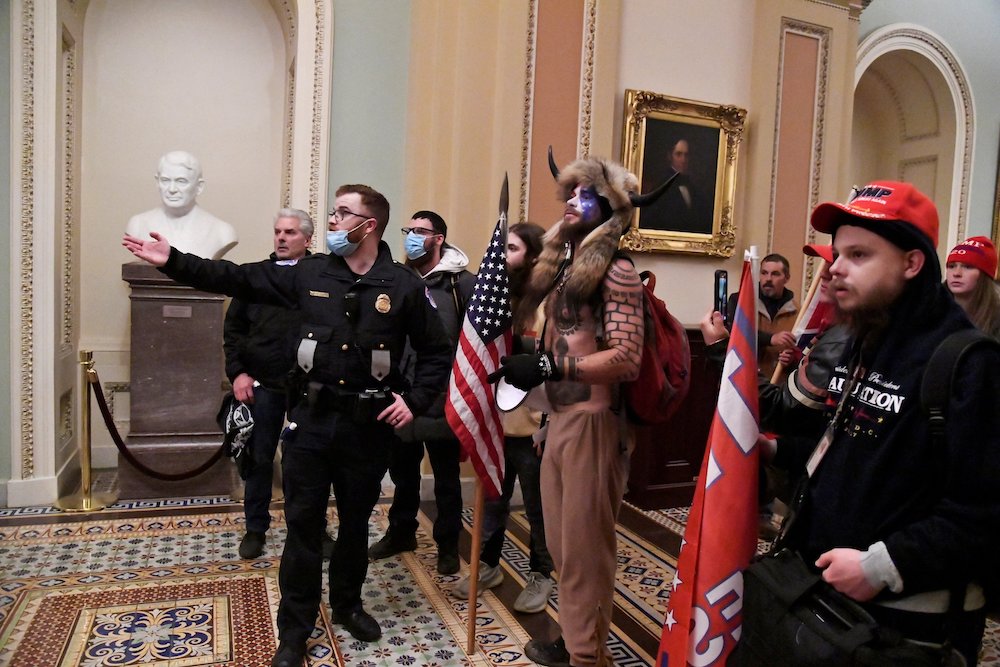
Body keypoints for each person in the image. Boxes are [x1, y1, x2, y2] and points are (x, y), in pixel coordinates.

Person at [123, 184, 453, 667]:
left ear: (370, 226)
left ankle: (347, 605)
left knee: (356, 524)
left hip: (367, 428)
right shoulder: (309, 272)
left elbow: (436, 350)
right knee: (302, 527)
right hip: (312, 423)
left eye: (343, 213)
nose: (334, 220)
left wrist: (415, 401)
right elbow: (234, 277)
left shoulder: (401, 284)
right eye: (334, 211)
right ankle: (294, 632)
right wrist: (172, 259)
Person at [771, 181, 1000, 665]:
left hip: (911, 628)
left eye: (858, 255)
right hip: (832, 606)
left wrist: (883, 565)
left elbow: (983, 513)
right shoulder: (866, 339)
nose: (835, 268)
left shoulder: (968, 362)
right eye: (837, 254)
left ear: (911, 263)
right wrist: (771, 451)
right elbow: (850, 452)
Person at [490, 156, 663, 667]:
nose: (570, 201)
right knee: (564, 552)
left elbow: (627, 359)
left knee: (585, 555)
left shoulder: (619, 272)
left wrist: (549, 367)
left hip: (594, 425)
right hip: (560, 422)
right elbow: (558, 342)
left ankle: (587, 658)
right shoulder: (566, 267)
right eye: (569, 193)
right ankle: (572, 640)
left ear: (609, 210)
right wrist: (544, 409)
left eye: (584, 195)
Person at [451, 221, 556, 614]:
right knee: (493, 500)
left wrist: (545, 423)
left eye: (511, 249)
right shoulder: (493, 299)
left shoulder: (545, 304)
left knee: (536, 505)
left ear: (531, 256)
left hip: (529, 422)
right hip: (494, 421)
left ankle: (541, 574)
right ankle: (490, 565)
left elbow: (548, 365)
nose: (503, 257)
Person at [368, 210, 475, 575]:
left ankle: (448, 544)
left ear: (439, 238)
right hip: (399, 394)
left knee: (446, 477)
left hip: (442, 397)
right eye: (408, 230)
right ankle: (402, 532)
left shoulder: (463, 286)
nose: (411, 237)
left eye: (419, 231)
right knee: (403, 472)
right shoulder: (396, 279)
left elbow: (472, 345)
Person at [223, 208, 333, 561]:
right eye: (277, 232)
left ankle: (313, 529)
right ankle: (256, 528)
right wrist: (238, 373)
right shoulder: (255, 277)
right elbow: (234, 332)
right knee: (259, 459)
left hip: (310, 389)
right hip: (263, 386)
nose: (281, 238)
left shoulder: (323, 277)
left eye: (290, 233)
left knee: (309, 465)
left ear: (307, 239)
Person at [125, 151, 239, 260]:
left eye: (181, 181)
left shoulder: (222, 232)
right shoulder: (138, 224)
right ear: (157, 182)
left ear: (199, 187)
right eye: (165, 180)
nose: (172, 189)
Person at [726, 253, 797, 379]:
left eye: (775, 274)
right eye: (764, 273)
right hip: (746, 380)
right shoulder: (741, 301)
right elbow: (736, 333)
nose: (768, 279)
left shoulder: (797, 311)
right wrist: (771, 339)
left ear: (786, 278)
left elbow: (803, 350)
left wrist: (792, 358)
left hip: (779, 383)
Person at [642, 138, 712, 233]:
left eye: (686, 155)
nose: (683, 160)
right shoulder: (661, 187)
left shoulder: (694, 188)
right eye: (678, 154)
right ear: (670, 156)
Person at [945, 235, 1000, 339]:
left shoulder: (996, 320)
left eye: (968, 267)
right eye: (951, 266)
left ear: (984, 275)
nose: (956, 273)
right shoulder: (934, 311)